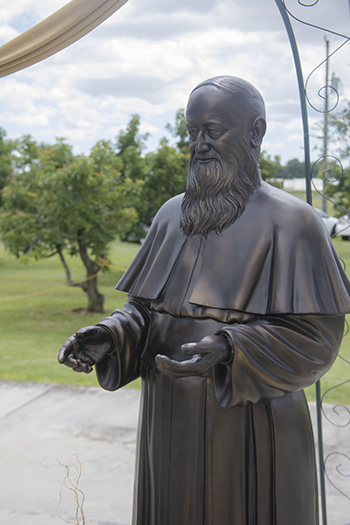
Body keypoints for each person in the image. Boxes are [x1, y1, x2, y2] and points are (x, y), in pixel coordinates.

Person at [58, 76, 350, 525]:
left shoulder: (296, 224)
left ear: (256, 132)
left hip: (249, 420)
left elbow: (316, 340)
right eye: (192, 132)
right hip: (167, 414)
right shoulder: (171, 216)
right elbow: (143, 310)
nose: (199, 145)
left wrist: (232, 349)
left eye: (213, 131)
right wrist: (111, 334)